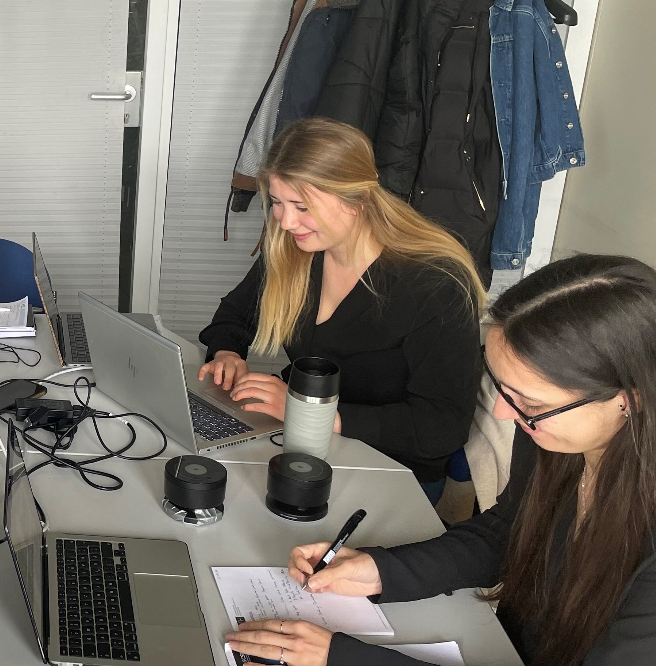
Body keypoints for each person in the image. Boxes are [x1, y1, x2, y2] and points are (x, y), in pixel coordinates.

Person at [226, 254, 656, 666]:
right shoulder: (556, 437)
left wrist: (342, 657)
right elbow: (508, 532)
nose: (504, 414)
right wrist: (382, 571)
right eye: (502, 387)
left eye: (529, 400)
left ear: (629, 400)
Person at [198, 118, 484, 502]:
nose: (285, 221)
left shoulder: (434, 283)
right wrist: (227, 352)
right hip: (300, 445)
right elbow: (235, 314)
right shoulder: (295, 250)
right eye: (278, 203)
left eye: (302, 206)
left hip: (391, 466)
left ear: (357, 200)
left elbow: (442, 425)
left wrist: (312, 415)